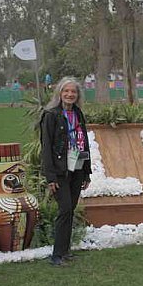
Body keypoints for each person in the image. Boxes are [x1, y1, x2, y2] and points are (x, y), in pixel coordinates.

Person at [40, 77, 91, 266]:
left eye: (73, 92)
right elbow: (46, 147)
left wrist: (86, 172)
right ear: (60, 94)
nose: (70, 94)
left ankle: (65, 251)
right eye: (66, 91)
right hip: (60, 170)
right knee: (65, 209)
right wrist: (50, 177)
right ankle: (56, 255)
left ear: (77, 96)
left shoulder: (78, 113)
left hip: (77, 165)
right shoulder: (51, 115)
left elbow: (84, 142)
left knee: (70, 210)